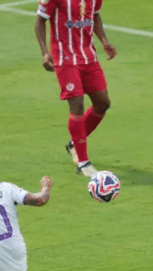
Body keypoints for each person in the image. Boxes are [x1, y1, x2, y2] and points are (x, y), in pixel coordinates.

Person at [35, 0, 117, 177]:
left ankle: (74, 144)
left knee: (103, 103)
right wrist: (45, 53)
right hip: (64, 58)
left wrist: (104, 41)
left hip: (88, 56)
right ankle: (83, 162)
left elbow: (95, 15)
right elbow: (40, 20)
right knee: (77, 105)